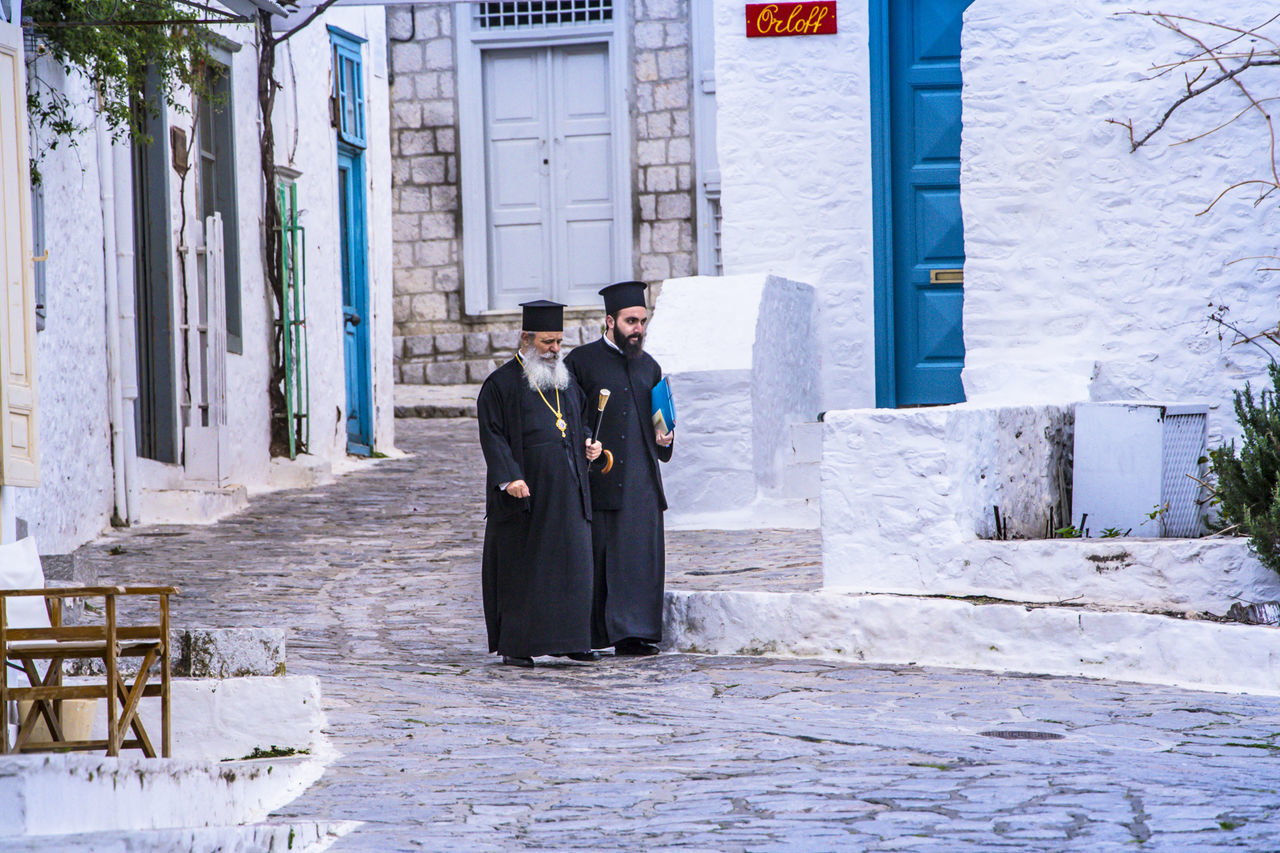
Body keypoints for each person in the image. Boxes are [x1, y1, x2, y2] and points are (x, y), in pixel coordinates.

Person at [477, 300, 603, 668]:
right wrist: (509, 476)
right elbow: (493, 435)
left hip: (570, 491)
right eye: (548, 342)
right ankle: (519, 645)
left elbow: (578, 421)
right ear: (526, 338)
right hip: (528, 495)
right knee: (527, 569)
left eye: (559, 342)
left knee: (574, 565)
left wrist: (589, 443)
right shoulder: (500, 384)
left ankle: (573, 640)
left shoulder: (564, 381)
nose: (555, 350)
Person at [564, 281, 674, 657]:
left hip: (642, 479)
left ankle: (634, 635)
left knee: (639, 559)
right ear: (610, 321)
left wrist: (666, 438)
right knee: (598, 559)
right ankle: (590, 638)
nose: (638, 329)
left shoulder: (650, 366)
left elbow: (662, 420)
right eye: (631, 321)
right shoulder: (580, 362)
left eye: (642, 321)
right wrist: (582, 443)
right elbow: (565, 415)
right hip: (600, 477)